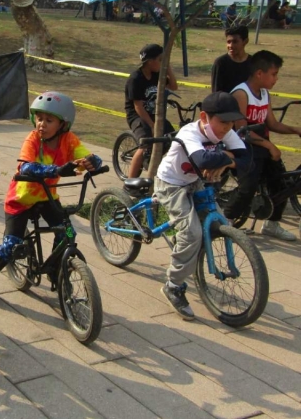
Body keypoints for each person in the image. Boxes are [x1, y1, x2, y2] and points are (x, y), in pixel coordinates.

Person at [0, 92, 102, 299]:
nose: (41, 124)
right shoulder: (33, 139)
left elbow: (85, 155)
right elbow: (25, 167)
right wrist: (56, 170)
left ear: (63, 124)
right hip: (20, 200)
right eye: (39, 118)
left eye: (49, 120)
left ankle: (55, 270)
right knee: (10, 246)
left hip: (47, 197)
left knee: (68, 233)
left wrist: (92, 162)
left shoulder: (69, 140)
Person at [155, 92, 249, 320]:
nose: (228, 127)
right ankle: (173, 285)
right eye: (223, 121)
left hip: (195, 181)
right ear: (205, 117)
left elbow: (247, 160)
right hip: (171, 183)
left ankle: (188, 251)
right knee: (192, 233)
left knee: (221, 222)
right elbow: (203, 161)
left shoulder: (226, 131)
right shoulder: (190, 132)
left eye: (232, 122)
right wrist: (228, 156)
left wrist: (226, 159)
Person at [223, 50, 301, 241]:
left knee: (282, 184)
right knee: (247, 188)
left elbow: (272, 124)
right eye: (274, 74)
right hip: (243, 148)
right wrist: (270, 146)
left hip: (262, 147)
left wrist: (295, 129)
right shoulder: (241, 94)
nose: (276, 79)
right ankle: (225, 223)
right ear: (260, 73)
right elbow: (243, 131)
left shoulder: (264, 93)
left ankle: (271, 224)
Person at [124, 44, 179, 178]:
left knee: (173, 138)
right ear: (150, 61)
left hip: (154, 115)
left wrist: (168, 68)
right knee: (145, 144)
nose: (162, 62)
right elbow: (138, 106)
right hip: (138, 116)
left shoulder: (157, 75)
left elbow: (173, 86)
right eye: (160, 59)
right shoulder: (135, 79)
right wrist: (152, 125)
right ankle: (130, 183)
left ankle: (153, 161)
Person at [211, 25, 251, 93]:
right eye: (228, 42)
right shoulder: (220, 63)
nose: (230, 46)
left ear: (245, 41)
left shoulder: (254, 63)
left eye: (235, 42)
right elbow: (216, 93)